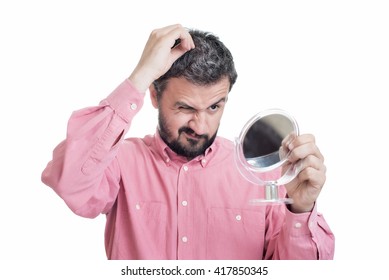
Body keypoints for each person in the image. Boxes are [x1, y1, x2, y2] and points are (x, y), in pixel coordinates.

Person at [41, 24, 335, 260]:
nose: (201, 126)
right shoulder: (120, 160)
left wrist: (300, 209)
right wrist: (140, 77)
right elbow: (70, 182)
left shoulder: (260, 173)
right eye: (185, 108)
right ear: (155, 96)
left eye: (214, 107)